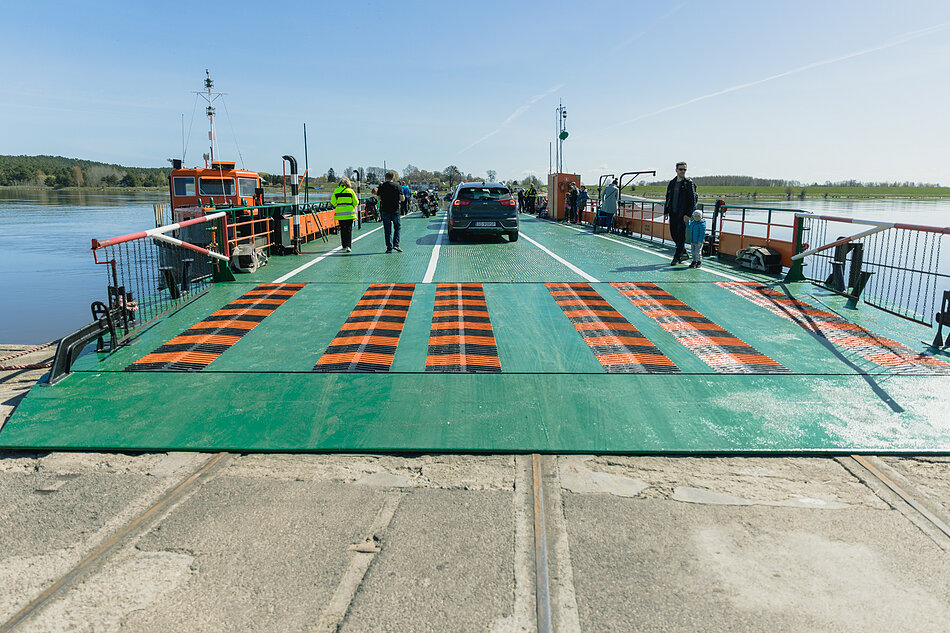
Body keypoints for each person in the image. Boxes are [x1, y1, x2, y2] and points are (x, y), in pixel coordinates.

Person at [664, 161, 698, 265]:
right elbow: (668, 198)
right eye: (681, 169)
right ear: (676, 170)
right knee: (674, 234)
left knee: (681, 235)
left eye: (684, 169)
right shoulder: (672, 183)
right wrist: (666, 211)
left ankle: (676, 257)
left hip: (683, 214)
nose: (683, 171)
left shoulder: (688, 183)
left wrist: (688, 214)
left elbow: (693, 200)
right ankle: (683, 253)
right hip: (673, 213)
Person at [331, 177, 359, 253]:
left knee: (342, 229)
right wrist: (351, 205)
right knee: (349, 229)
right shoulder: (350, 191)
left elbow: (333, 202)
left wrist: (339, 205)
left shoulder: (336, 191)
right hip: (349, 213)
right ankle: (348, 246)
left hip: (340, 214)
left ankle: (343, 245)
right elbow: (356, 202)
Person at [377, 172, 403, 253]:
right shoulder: (397, 186)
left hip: (385, 210)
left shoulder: (381, 186)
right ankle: (396, 244)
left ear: (385, 177)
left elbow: (378, 198)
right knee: (397, 228)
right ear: (393, 178)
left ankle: (389, 247)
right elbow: (402, 198)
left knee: (387, 230)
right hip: (395, 211)